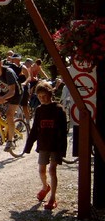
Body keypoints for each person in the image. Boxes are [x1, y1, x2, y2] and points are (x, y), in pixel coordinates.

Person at [24, 81, 68, 210]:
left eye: (44, 96)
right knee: (41, 170)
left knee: (52, 170)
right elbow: (34, 130)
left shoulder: (59, 110)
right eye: (39, 97)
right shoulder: (39, 110)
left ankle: (53, 197)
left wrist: (62, 150)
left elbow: (63, 132)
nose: (42, 99)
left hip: (55, 146)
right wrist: (28, 146)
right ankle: (45, 187)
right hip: (43, 145)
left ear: (50, 94)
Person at [6, 53, 31, 120]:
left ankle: (28, 122)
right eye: (13, 59)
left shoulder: (23, 67)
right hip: (15, 87)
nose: (13, 60)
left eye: (14, 59)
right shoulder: (11, 67)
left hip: (24, 87)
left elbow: (29, 77)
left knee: (24, 106)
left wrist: (24, 83)